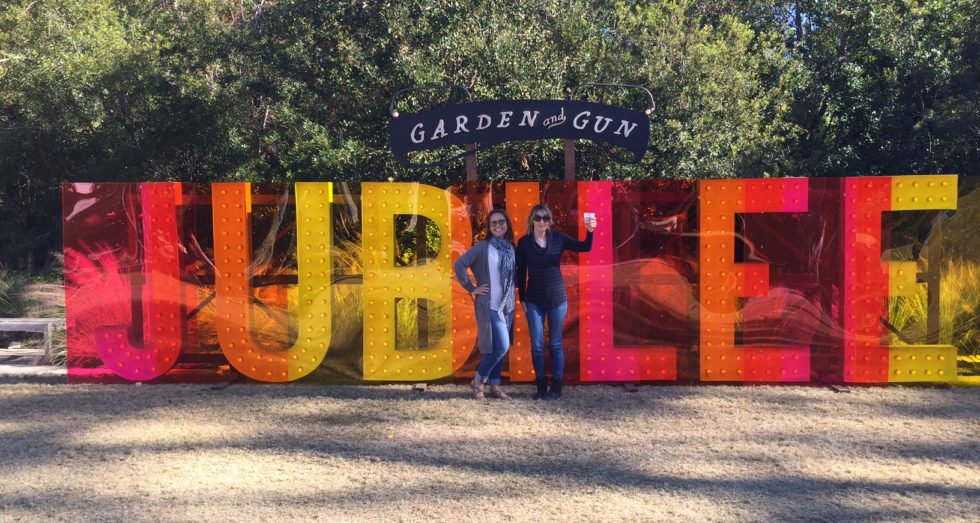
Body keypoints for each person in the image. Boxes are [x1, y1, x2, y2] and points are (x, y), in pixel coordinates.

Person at [516, 204, 596, 400]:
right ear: (532, 220)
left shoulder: (558, 238)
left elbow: (585, 247)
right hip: (534, 300)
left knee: (556, 344)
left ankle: (557, 386)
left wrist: (590, 231)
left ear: (549, 220)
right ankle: (541, 385)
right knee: (536, 345)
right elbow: (521, 272)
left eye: (545, 218)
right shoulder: (524, 243)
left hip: (557, 299)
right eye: (538, 218)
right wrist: (522, 299)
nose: (541, 221)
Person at [453, 209, 517, 400]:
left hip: (507, 306)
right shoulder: (484, 247)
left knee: (500, 347)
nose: (498, 226)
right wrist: (471, 288)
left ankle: (495, 386)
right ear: (489, 227)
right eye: (493, 223)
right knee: (501, 346)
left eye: (501, 222)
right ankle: (478, 381)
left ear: (507, 224)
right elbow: (460, 264)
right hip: (490, 305)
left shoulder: (510, 247)